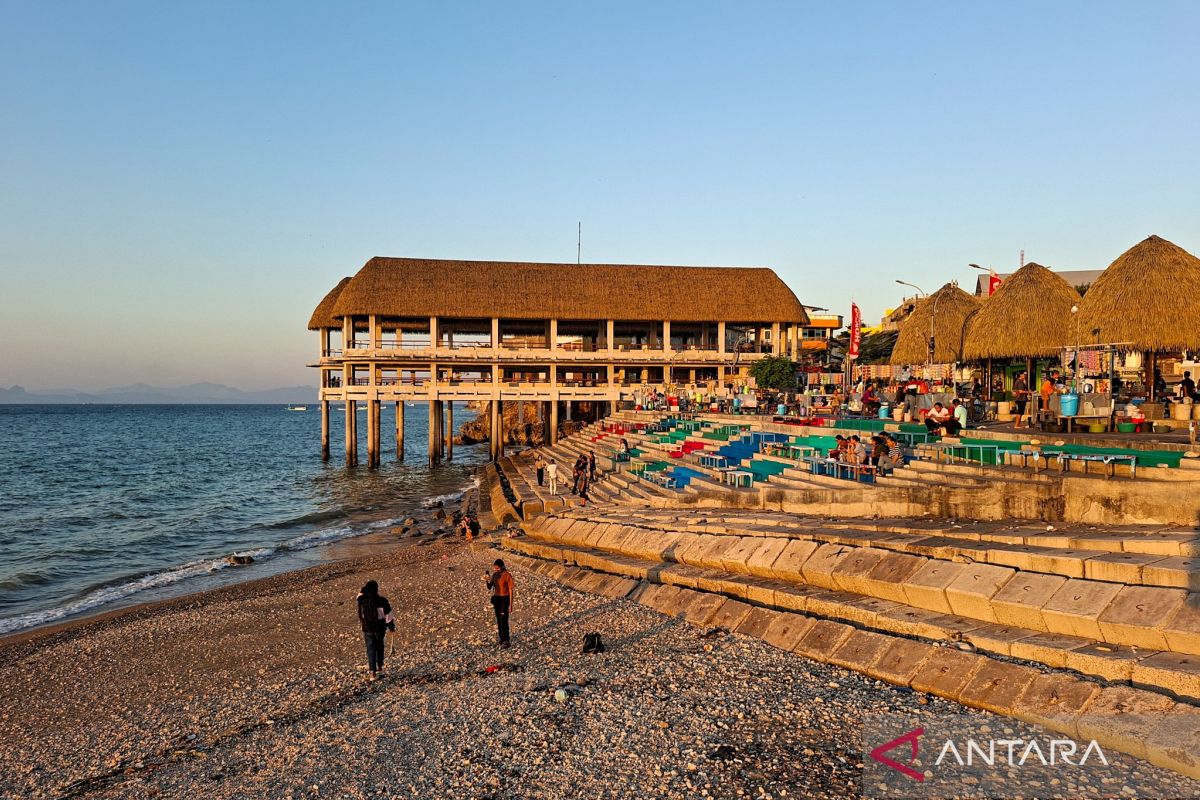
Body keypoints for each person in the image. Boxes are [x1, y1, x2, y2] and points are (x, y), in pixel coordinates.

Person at [356, 580, 394, 681]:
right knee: (379, 645)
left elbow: (359, 594)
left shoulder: (362, 600)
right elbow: (388, 616)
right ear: (377, 589)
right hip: (380, 628)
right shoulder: (382, 601)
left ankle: (372, 673)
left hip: (367, 628)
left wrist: (364, 590)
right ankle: (380, 666)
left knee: (370, 649)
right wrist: (391, 627)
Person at [486, 559, 514, 648]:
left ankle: (506, 640)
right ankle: (501, 639)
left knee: (504, 619)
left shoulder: (507, 575)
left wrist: (511, 605)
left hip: (504, 599)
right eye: (495, 568)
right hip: (497, 599)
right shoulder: (494, 575)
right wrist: (486, 580)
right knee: (499, 619)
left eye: (497, 568)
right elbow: (489, 587)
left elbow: (511, 590)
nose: (496, 569)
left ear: (502, 566)